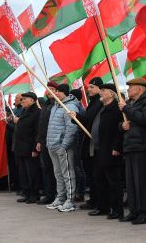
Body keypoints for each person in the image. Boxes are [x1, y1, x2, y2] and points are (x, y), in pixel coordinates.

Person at [119, 77, 146, 224]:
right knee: (131, 183)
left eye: (131, 87)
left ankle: (144, 213)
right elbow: (123, 122)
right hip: (130, 145)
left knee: (142, 183)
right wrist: (122, 125)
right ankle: (134, 211)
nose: (128, 90)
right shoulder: (130, 103)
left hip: (141, 146)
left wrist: (127, 109)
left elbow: (144, 119)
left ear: (140, 88)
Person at [89, 83, 124, 219]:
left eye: (103, 91)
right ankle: (103, 206)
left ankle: (116, 209)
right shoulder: (103, 108)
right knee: (100, 179)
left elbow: (118, 130)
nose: (101, 93)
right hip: (99, 149)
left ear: (112, 93)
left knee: (113, 182)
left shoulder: (116, 109)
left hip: (111, 151)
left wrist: (116, 147)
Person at [46, 84, 80, 213]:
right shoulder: (55, 106)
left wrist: (64, 145)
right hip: (52, 145)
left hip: (63, 147)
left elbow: (71, 128)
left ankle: (70, 200)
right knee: (58, 174)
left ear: (65, 93)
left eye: (59, 92)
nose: (56, 94)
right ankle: (60, 197)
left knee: (68, 174)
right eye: (56, 91)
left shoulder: (69, 106)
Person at [75, 77, 105, 211]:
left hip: (95, 144)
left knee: (96, 175)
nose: (89, 90)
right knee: (91, 174)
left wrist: (77, 117)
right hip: (88, 143)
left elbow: (90, 121)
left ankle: (99, 201)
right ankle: (93, 200)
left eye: (92, 87)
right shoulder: (92, 103)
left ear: (100, 88)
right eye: (88, 87)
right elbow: (87, 122)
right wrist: (76, 117)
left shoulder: (100, 102)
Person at [13, 92, 42, 204]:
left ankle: (34, 194)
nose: (22, 101)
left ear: (33, 100)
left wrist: (35, 149)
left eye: (25, 99)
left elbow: (37, 132)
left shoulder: (37, 112)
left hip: (30, 147)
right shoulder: (24, 111)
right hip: (21, 148)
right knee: (23, 172)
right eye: (22, 99)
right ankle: (26, 193)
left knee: (32, 172)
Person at [35, 82, 58, 204]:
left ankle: (57, 194)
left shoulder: (58, 105)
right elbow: (41, 125)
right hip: (44, 142)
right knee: (47, 169)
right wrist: (39, 140)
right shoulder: (46, 105)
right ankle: (49, 194)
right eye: (48, 89)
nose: (50, 91)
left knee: (56, 170)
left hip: (54, 141)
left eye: (53, 89)